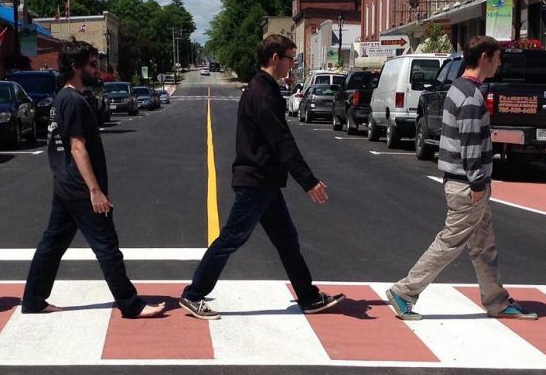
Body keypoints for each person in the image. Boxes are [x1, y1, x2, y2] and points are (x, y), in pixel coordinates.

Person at [179, 34, 344, 320]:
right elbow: (282, 142)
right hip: (256, 181)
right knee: (231, 238)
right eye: (290, 59)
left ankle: (308, 296)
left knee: (287, 240)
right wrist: (309, 181)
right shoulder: (263, 93)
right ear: (275, 58)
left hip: (264, 182)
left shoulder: (261, 89)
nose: (292, 65)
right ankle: (193, 295)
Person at [386, 36, 537, 321]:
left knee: (483, 245)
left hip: (463, 182)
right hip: (468, 185)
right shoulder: (469, 96)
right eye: (497, 58)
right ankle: (404, 291)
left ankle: (497, 301)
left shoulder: (459, 88)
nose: (499, 63)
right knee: (449, 243)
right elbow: (470, 144)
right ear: (484, 58)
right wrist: (479, 183)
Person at [22, 40, 164, 318]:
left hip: (65, 186)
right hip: (80, 188)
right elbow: (77, 147)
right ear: (75, 67)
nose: (97, 70)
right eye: (92, 65)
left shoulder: (61, 97)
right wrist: (95, 190)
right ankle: (130, 305)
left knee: (52, 244)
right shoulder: (73, 101)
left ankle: (33, 299)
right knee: (107, 246)